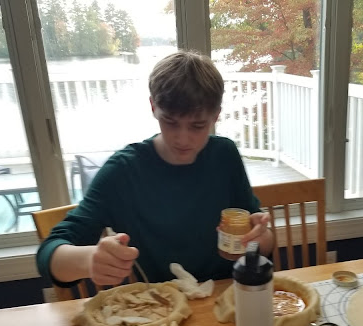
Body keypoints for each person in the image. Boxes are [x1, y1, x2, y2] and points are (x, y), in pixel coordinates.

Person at [36, 50, 273, 288]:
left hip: (230, 296)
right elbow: (48, 254)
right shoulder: (123, 172)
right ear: (153, 106)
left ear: (216, 116)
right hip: (164, 304)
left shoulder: (224, 155)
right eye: (170, 122)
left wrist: (259, 238)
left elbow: (263, 243)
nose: (183, 139)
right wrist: (89, 259)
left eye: (198, 126)